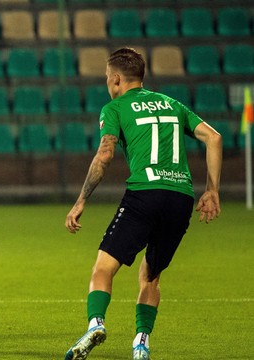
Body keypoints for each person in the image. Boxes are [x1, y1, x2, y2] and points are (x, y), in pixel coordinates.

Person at [63, 48, 222, 360]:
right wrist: (212, 191)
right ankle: (141, 344)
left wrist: (81, 200)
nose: (108, 84)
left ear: (117, 79)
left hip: (145, 194)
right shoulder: (172, 104)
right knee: (151, 275)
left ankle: (96, 324)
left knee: (103, 268)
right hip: (180, 197)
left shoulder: (114, 107)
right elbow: (214, 138)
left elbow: (105, 155)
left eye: (108, 79)